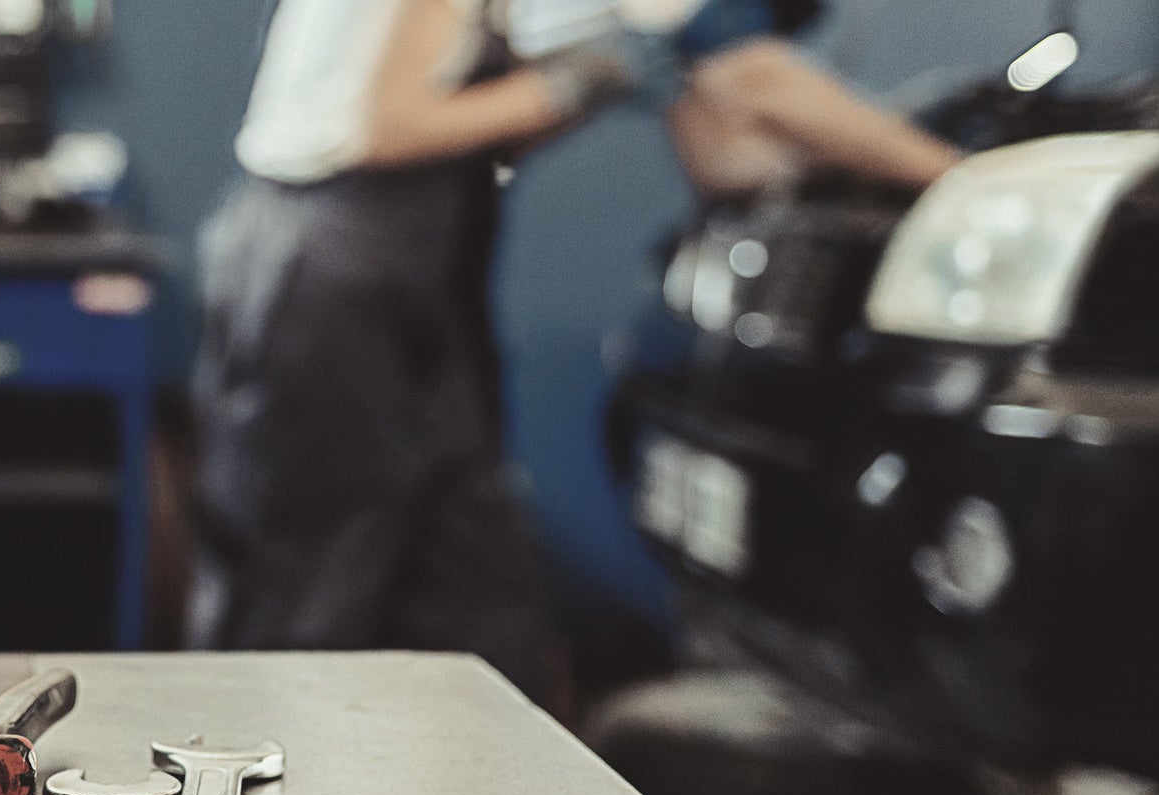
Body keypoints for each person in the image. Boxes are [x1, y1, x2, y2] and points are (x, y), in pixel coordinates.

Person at [185, 0, 960, 704]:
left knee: (477, 596)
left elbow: (719, 143)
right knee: (309, 587)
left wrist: (593, 84)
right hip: (330, 268)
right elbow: (382, 124)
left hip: (411, 266)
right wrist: (960, 179)